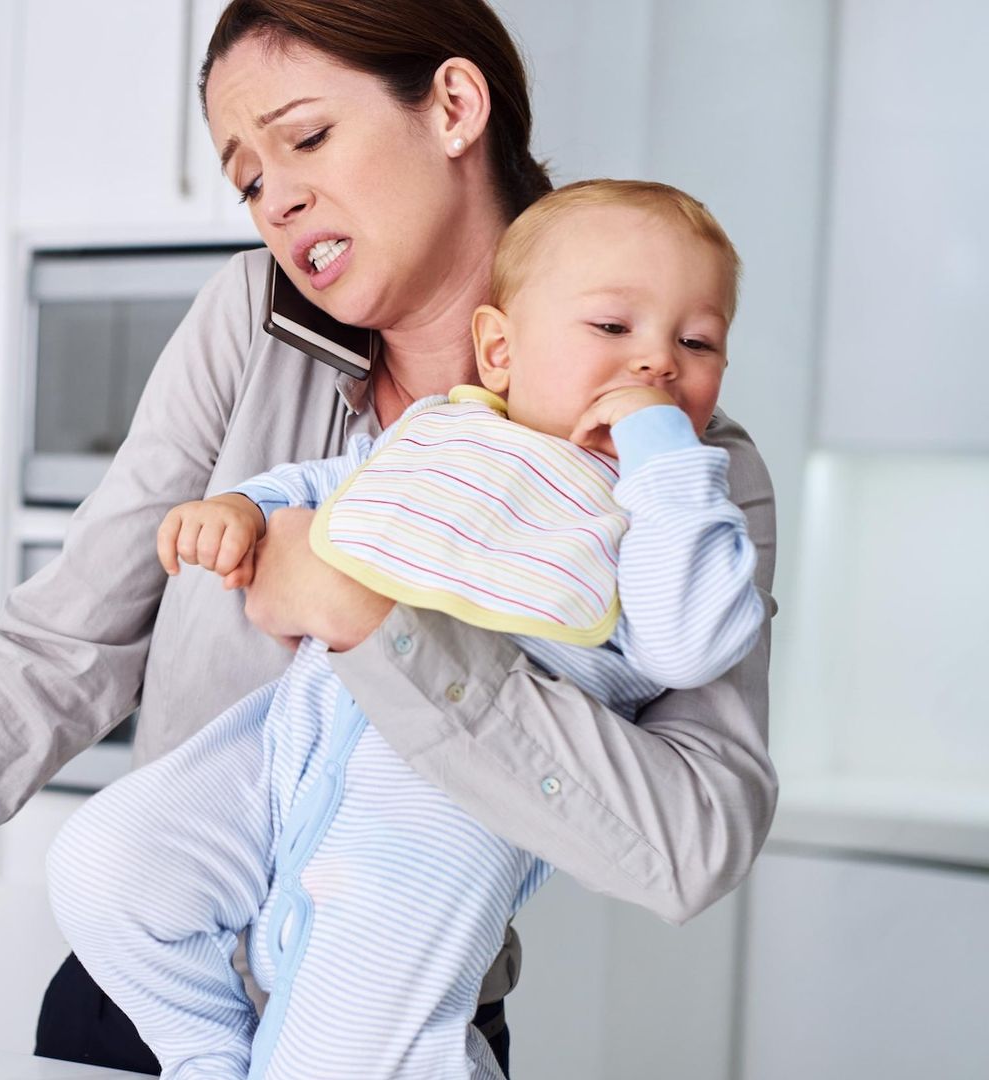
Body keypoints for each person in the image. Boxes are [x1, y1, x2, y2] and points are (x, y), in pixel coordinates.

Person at [0, 2, 779, 1074]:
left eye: (307, 138)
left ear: (453, 107)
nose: (278, 202)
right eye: (250, 176)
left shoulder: (685, 479)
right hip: (136, 1011)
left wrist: (376, 626)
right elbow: (45, 663)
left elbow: (689, 841)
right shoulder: (252, 326)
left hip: (395, 1026)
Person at [45, 179, 763, 1080]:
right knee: (104, 865)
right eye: (614, 329)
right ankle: (202, 1057)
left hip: (442, 806)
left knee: (353, 1052)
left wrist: (666, 460)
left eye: (696, 344)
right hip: (288, 746)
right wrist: (240, 507)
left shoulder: (671, 507)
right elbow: (323, 491)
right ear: (499, 349)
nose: (655, 365)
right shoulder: (444, 431)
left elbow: (694, 640)